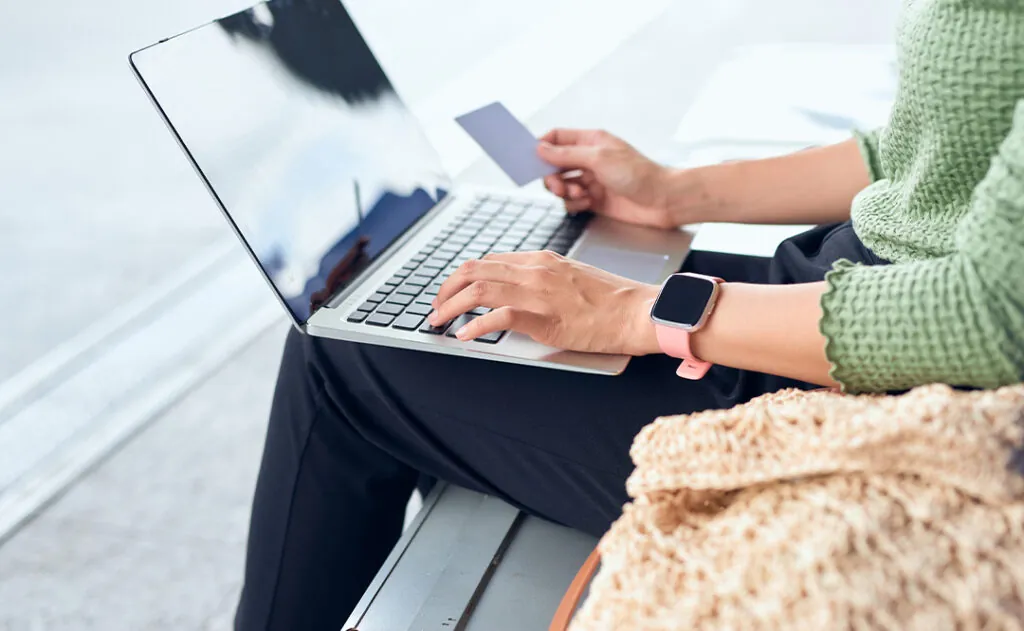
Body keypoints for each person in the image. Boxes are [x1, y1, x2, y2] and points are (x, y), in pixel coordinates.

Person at [233, 0, 1024, 628]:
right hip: (839, 289)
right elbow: (930, 150)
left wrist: (640, 313)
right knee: (445, 305)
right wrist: (673, 193)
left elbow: (997, 312)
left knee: (341, 359)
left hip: (887, 381)